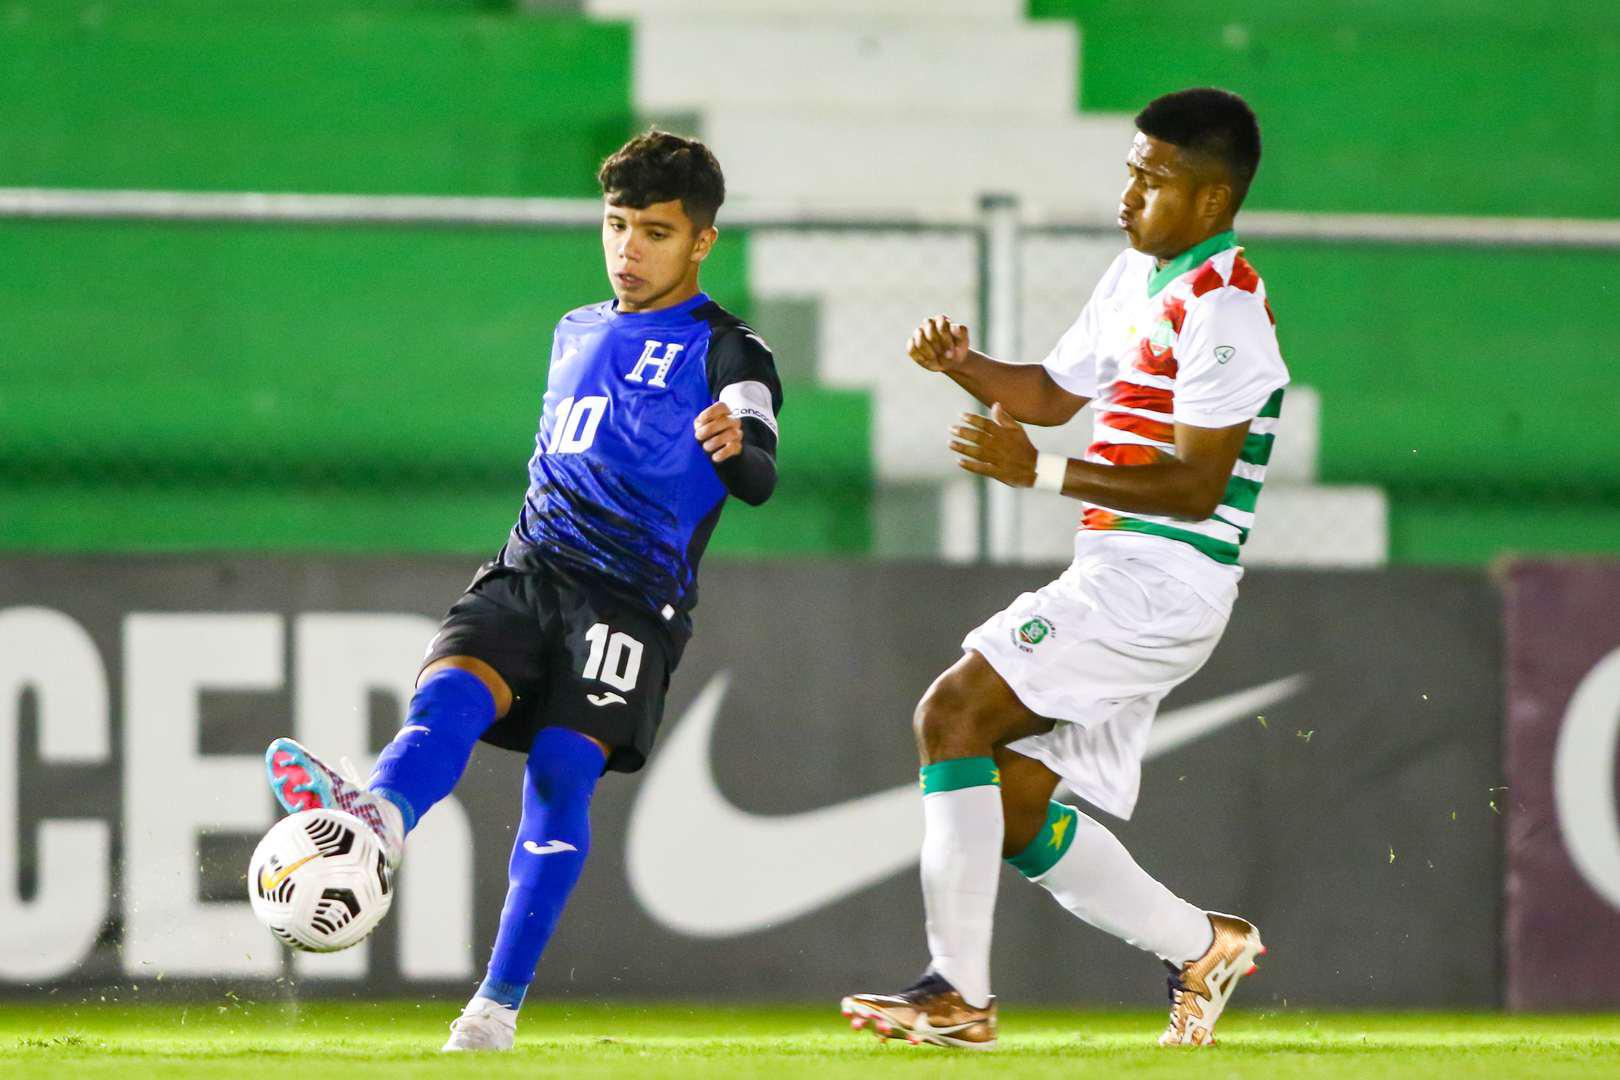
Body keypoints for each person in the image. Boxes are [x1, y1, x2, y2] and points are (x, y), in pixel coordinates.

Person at [261, 129, 783, 1051]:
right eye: (616, 225)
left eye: (655, 232)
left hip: (629, 602)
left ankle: (494, 1009)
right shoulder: (575, 329)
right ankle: (374, 825)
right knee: (445, 701)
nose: (628, 250)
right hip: (529, 567)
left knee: (561, 775)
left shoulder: (730, 350)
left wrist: (740, 452)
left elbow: (759, 469)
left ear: (701, 241)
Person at [842, 87, 1287, 1050]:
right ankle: (1201, 945)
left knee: (951, 714)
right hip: (1129, 569)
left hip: (1162, 580)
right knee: (1007, 801)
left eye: (1153, 178)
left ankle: (956, 996)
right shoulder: (1137, 278)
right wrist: (964, 365)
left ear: (1212, 202)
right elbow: (1047, 393)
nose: (1129, 194)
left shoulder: (1226, 309)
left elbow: (1201, 484)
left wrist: (1037, 473)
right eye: (1130, 169)